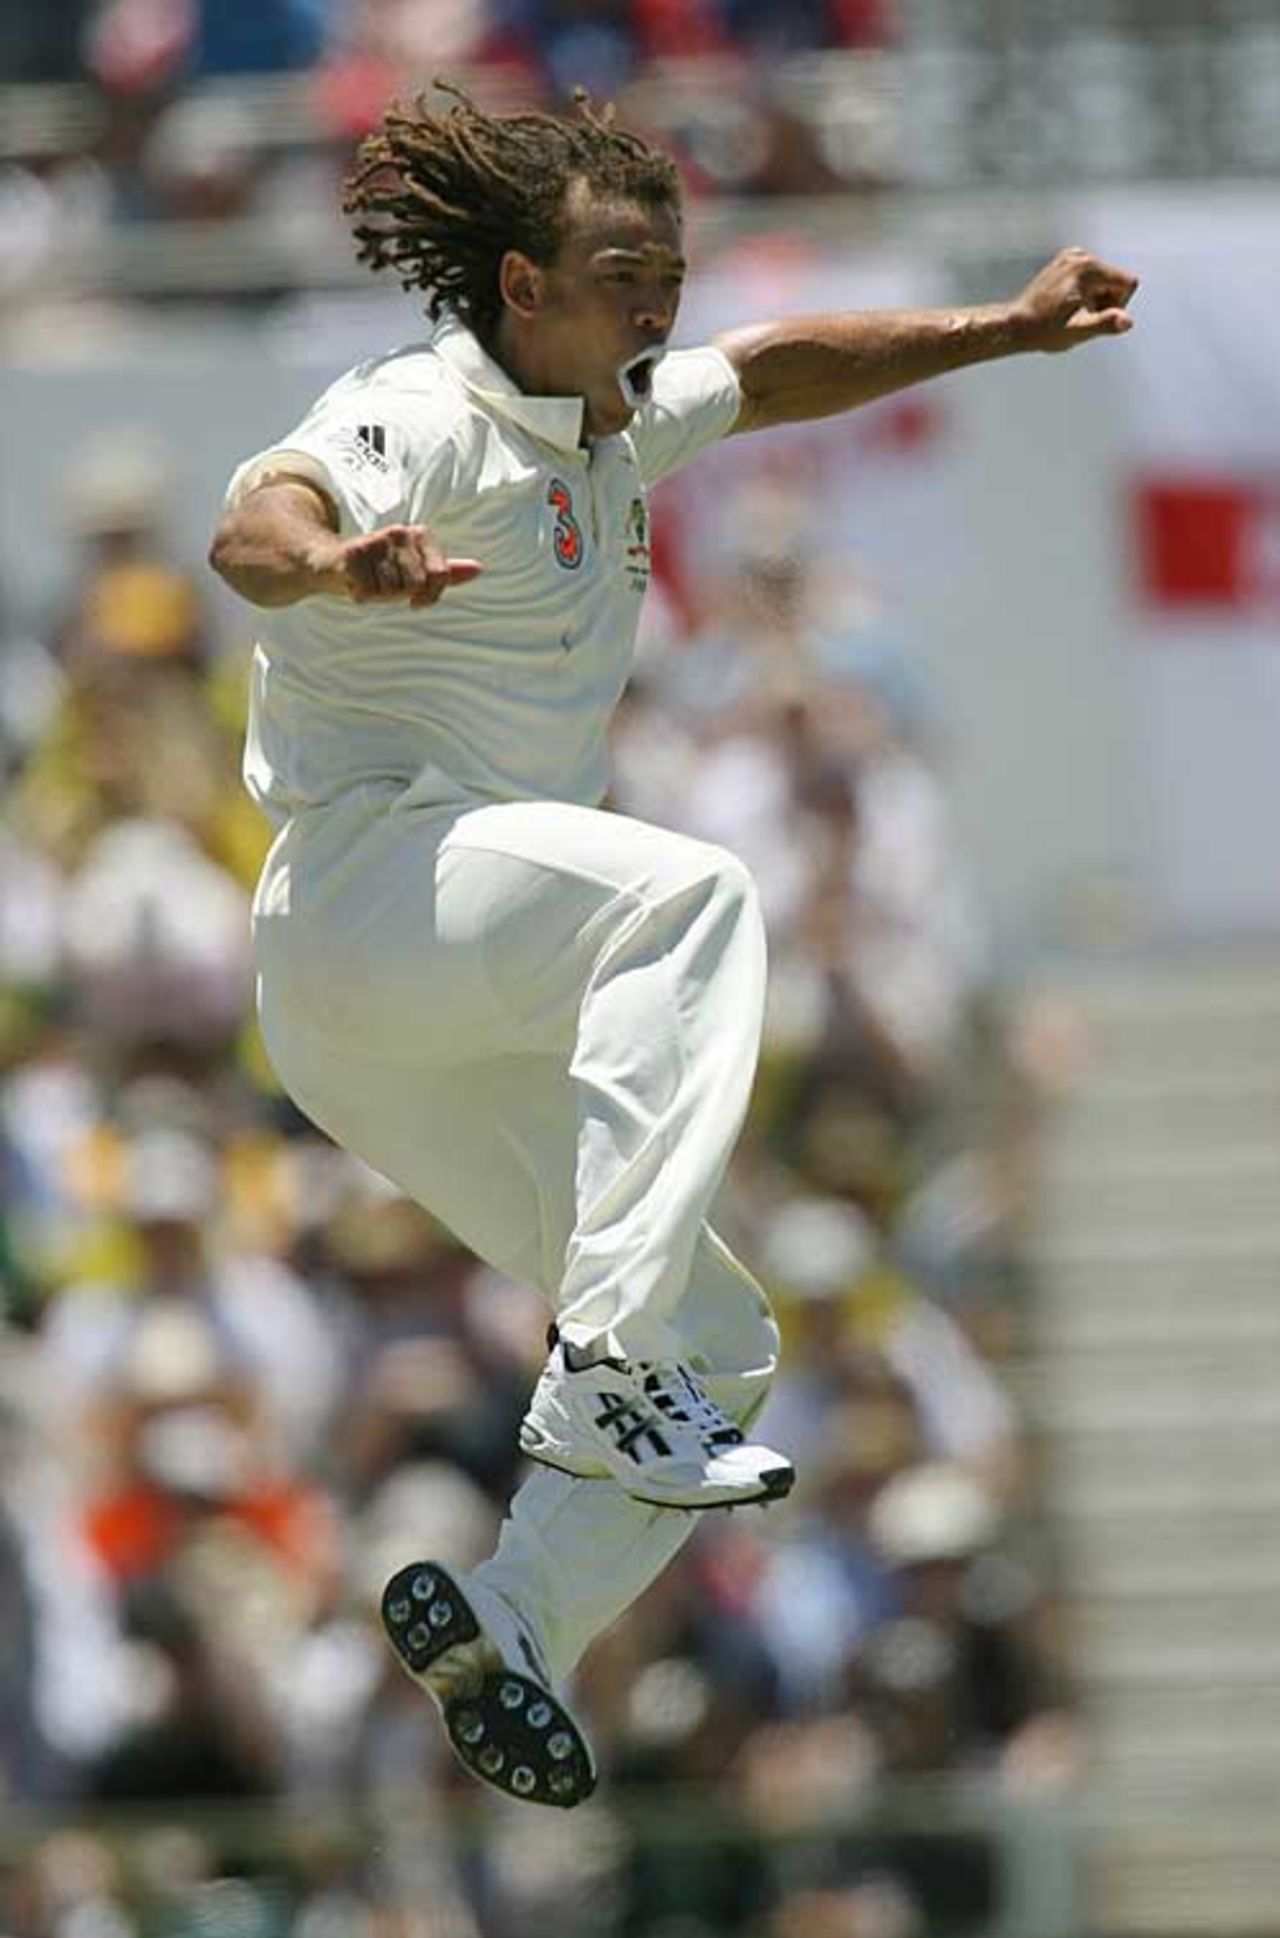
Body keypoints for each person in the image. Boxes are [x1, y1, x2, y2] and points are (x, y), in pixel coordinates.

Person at [209, 82, 1137, 1808]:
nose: (658, 305)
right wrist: (337, 565)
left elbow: (783, 366)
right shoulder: (422, 408)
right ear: (518, 286)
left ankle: (515, 1616)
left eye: (670, 271)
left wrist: (1006, 329)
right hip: (364, 899)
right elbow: (251, 519)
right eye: (622, 272)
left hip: (427, 1009)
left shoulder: (619, 414)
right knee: (691, 892)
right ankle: (608, 1352)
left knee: (734, 1349)